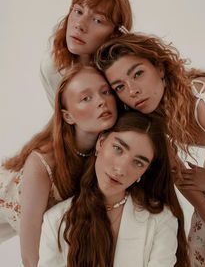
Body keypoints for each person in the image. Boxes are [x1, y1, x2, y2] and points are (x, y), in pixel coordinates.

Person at [95, 32, 205, 267]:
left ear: (159, 67)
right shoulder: (151, 113)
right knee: (198, 255)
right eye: (120, 86)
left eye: (138, 74)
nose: (132, 90)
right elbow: (177, 171)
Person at [0, 64, 117, 267]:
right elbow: (30, 257)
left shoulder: (111, 149)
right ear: (67, 116)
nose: (101, 101)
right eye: (86, 98)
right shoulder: (42, 164)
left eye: (105, 92)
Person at [38, 111, 190, 267]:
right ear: (101, 143)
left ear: (144, 172)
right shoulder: (56, 220)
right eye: (118, 148)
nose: (121, 169)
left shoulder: (161, 220)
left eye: (138, 163)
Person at [40, 0, 132, 107]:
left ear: (115, 34)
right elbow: (62, 122)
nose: (80, 25)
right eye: (78, 11)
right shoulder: (53, 67)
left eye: (97, 20)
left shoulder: (125, 73)